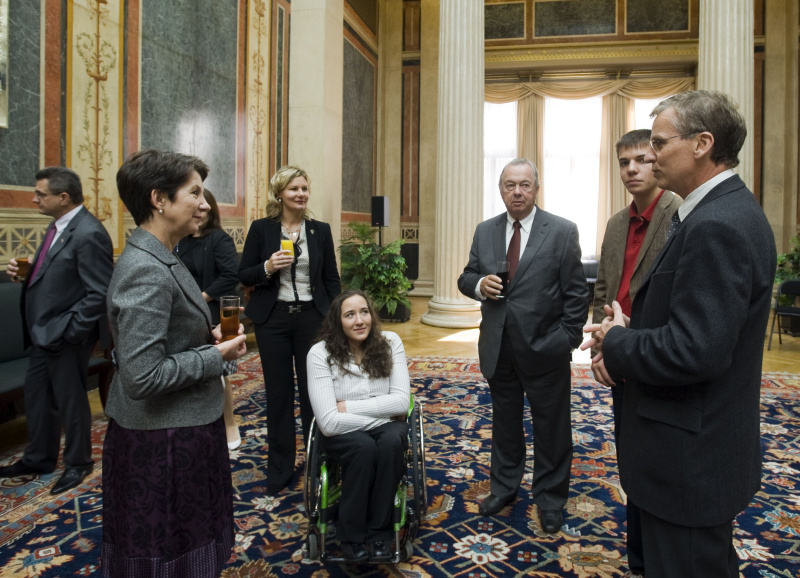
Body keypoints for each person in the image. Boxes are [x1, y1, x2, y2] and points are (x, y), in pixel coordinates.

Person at [583, 90, 777, 577]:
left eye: (660, 142)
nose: (651, 154)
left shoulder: (717, 226)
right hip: (690, 447)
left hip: (689, 457)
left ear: (702, 144)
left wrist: (618, 341)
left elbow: (696, 350)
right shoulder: (724, 210)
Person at [101, 149, 248, 577]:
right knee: (167, 547)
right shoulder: (145, 268)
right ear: (159, 200)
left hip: (181, 430)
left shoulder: (166, 255)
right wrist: (214, 355)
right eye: (195, 193)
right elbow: (142, 376)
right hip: (161, 444)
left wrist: (205, 337)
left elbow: (159, 342)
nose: (205, 204)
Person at [457, 158, 588, 533]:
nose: (517, 191)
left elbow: (577, 294)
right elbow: (467, 276)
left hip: (546, 348)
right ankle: (504, 487)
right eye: (509, 185)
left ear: (536, 188)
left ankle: (550, 499)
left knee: (551, 428)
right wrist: (479, 285)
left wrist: (567, 339)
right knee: (506, 424)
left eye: (525, 185)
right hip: (499, 348)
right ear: (501, 189)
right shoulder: (485, 230)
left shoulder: (562, 231)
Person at [591, 129, 682, 578]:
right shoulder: (613, 224)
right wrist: (599, 353)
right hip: (618, 359)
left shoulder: (679, 214)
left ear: (658, 160)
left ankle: (656, 558)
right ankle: (639, 559)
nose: (631, 170)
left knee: (656, 464)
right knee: (629, 460)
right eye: (624, 162)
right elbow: (604, 292)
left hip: (658, 358)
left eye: (642, 160)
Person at [1, 167, 113, 495]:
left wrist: (69, 330)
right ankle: (39, 457)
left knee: (70, 399)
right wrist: (25, 274)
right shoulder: (58, 226)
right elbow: (56, 276)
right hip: (42, 333)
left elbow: (99, 292)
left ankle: (79, 462)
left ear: (63, 198)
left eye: (40, 193)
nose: (34, 198)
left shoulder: (89, 231)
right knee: (38, 397)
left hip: (64, 335)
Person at [239, 165, 341, 495]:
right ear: (280, 193)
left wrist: (336, 316)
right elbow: (244, 274)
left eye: (304, 189)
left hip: (313, 317)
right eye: (293, 189)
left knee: (316, 393)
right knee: (278, 395)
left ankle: (319, 462)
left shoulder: (319, 230)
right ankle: (280, 467)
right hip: (274, 320)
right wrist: (267, 267)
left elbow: (330, 278)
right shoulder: (261, 229)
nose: (300, 194)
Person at [306, 290, 410, 563]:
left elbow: (401, 402)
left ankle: (379, 532)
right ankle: (351, 536)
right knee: (364, 448)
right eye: (349, 315)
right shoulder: (320, 353)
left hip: (364, 423)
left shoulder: (390, 342)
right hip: (343, 431)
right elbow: (328, 422)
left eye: (364, 312)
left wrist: (348, 407)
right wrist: (383, 413)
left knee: (389, 444)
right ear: (337, 322)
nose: (359, 320)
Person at [175, 188, 242, 449]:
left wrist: (200, 298)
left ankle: (228, 422)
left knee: (216, 373)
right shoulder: (179, 240)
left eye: (203, 206)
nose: (199, 210)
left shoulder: (218, 239)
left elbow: (229, 276)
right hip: (181, 316)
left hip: (211, 314)